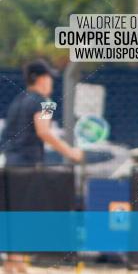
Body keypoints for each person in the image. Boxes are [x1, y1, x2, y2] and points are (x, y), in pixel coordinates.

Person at [0, 60, 83, 273]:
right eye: (49, 78)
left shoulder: (17, 101)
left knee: (12, 214)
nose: (51, 83)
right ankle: (15, 261)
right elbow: (44, 131)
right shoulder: (45, 102)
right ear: (39, 78)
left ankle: (14, 261)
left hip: (10, 164)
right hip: (27, 165)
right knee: (23, 214)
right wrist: (71, 152)